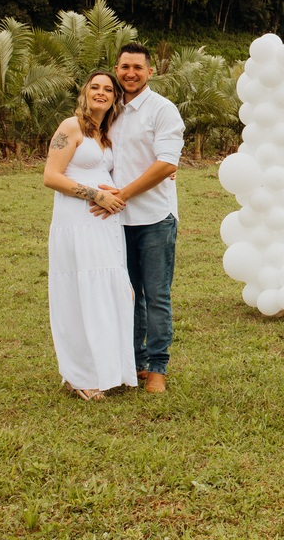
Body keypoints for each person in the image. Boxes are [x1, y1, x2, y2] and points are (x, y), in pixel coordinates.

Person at [92, 43, 185, 394]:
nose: (130, 73)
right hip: (115, 221)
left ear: (150, 72)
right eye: (125, 67)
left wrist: (123, 194)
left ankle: (158, 368)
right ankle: (135, 362)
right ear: (116, 69)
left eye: (138, 68)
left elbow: (167, 163)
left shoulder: (162, 110)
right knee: (128, 294)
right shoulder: (109, 110)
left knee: (157, 294)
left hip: (154, 216)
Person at [43, 71, 137, 401]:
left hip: (104, 226)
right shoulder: (71, 127)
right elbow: (51, 176)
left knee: (110, 292)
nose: (101, 92)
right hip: (77, 222)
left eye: (108, 89)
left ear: (114, 98)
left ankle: (108, 370)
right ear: (85, 93)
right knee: (80, 293)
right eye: (94, 87)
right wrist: (96, 195)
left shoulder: (105, 134)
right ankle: (80, 375)